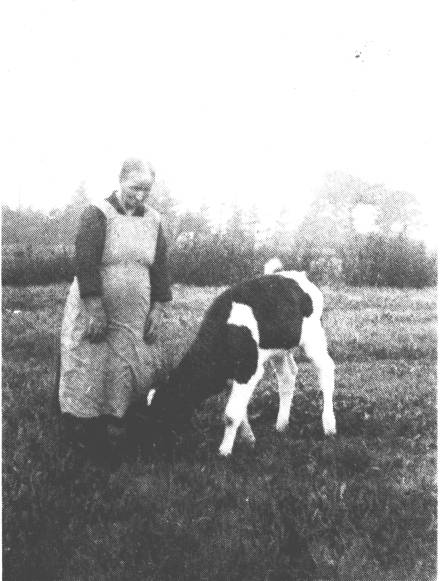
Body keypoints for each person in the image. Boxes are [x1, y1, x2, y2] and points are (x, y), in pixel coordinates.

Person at [58, 158, 172, 466]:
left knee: (129, 367)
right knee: (91, 365)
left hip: (135, 312)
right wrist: (94, 307)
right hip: (96, 307)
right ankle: (84, 431)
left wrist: (159, 307)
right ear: (120, 182)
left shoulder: (154, 220)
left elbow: (160, 267)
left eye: (146, 190)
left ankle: (120, 428)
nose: (141, 196)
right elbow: (85, 261)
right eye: (135, 188)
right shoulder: (98, 214)